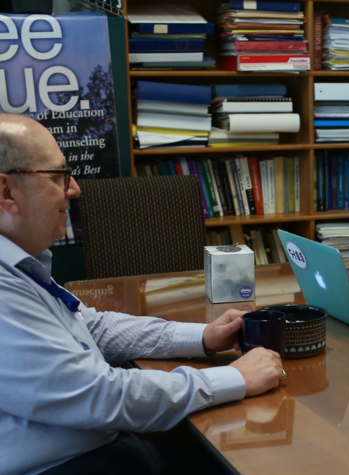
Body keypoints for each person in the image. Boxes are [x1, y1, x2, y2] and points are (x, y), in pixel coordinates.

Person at [0, 113, 284, 475]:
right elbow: (99, 396)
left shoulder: (19, 263)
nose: (74, 189)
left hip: (104, 447)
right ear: (7, 191)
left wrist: (203, 337)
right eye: (58, 176)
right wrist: (234, 378)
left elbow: (93, 328)